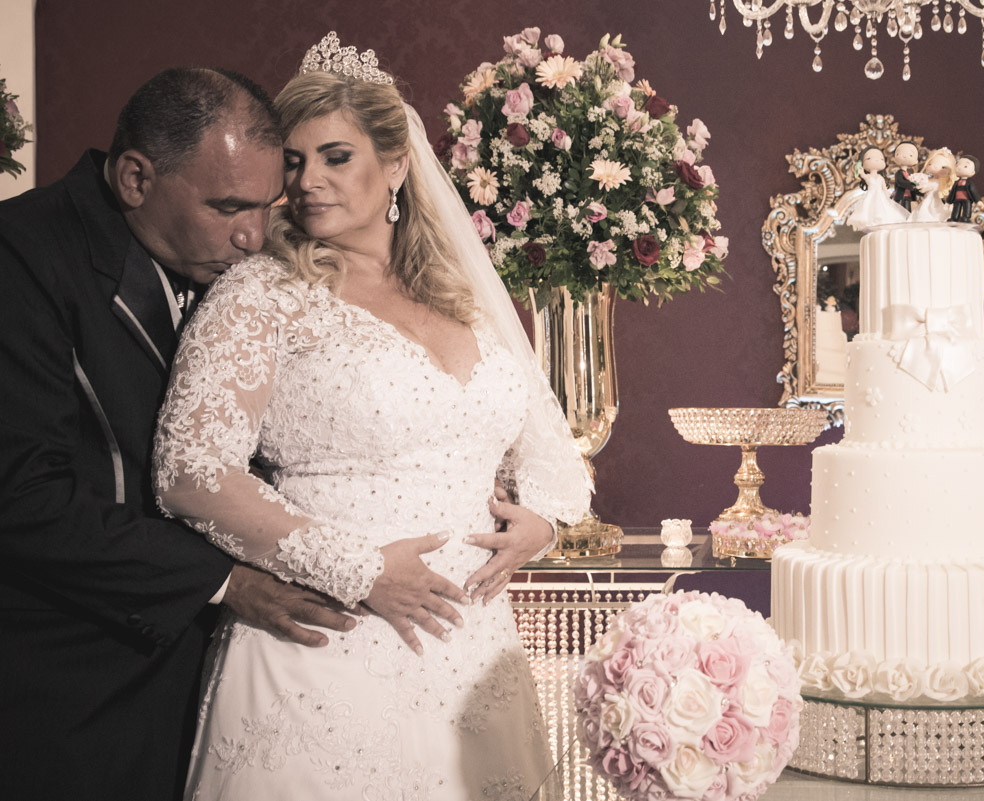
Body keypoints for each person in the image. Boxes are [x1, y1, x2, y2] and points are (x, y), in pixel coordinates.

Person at [0, 67, 466, 801]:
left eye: (264, 206)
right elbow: (22, 496)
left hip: (213, 676)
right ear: (133, 177)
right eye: (228, 207)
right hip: (68, 680)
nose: (254, 235)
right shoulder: (20, 255)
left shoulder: (227, 262)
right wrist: (223, 579)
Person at [152, 33, 592, 800]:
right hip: (325, 646)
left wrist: (544, 525)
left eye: (335, 156)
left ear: (395, 164)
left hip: (475, 656)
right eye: (292, 162)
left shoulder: (465, 298)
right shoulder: (260, 294)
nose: (309, 182)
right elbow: (191, 475)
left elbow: (554, 464)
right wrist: (359, 572)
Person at [846, 145, 908, 230]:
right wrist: (859, 169)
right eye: (869, 158)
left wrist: (889, 198)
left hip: (881, 197)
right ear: (862, 162)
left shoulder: (880, 177)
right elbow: (862, 174)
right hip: (871, 197)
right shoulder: (868, 177)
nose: (877, 160)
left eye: (881, 159)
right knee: (870, 211)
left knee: (883, 211)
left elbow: (885, 189)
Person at [949, 155, 982, 223]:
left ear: (973, 172)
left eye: (965, 166)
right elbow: (952, 193)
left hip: (966, 199)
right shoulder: (956, 183)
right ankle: (954, 217)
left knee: (966, 209)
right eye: (958, 165)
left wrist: (978, 201)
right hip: (957, 199)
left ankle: (966, 217)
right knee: (956, 208)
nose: (959, 168)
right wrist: (948, 202)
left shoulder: (969, 184)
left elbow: (973, 192)